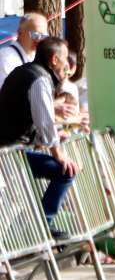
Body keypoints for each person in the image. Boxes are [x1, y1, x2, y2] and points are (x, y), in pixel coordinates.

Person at [0, 37, 78, 238]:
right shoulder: (40, 79)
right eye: (64, 60)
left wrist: (44, 139)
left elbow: (24, 115)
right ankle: (41, 227)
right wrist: (58, 153)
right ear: (54, 59)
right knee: (65, 171)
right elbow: (44, 120)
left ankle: (36, 229)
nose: (67, 67)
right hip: (11, 153)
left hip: (11, 150)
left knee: (12, 203)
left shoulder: (25, 72)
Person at [0, 12, 49, 86]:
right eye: (35, 35)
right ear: (20, 33)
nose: (39, 40)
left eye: (43, 36)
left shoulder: (40, 57)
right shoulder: (6, 57)